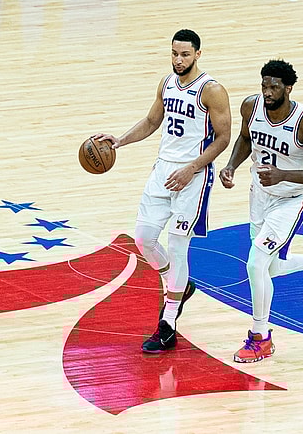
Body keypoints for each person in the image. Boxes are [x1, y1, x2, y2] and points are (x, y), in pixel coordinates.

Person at [91, 29, 232, 354]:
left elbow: (224, 138)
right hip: (162, 170)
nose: (178, 60)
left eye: (185, 55)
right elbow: (151, 121)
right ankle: (179, 285)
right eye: (174, 54)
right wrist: (119, 141)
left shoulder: (212, 90)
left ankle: (168, 324)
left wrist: (192, 168)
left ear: (198, 54)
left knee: (178, 246)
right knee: (144, 239)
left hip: (193, 177)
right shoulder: (166, 83)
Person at [219, 59, 303, 363]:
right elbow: (245, 138)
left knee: (255, 265)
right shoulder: (251, 107)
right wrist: (231, 165)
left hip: (291, 199)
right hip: (260, 195)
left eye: (274, 87)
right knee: (269, 269)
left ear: (288, 88)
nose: (267, 92)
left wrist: (283, 175)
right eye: (264, 85)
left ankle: (260, 337)